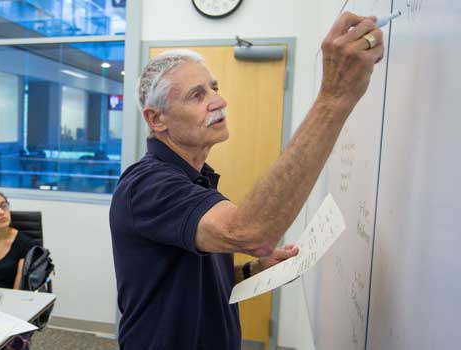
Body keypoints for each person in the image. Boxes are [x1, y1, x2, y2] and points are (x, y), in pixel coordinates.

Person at [110, 12, 385, 349]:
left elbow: (198, 281)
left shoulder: (198, 181)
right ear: (157, 119)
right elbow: (251, 232)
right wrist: (333, 97)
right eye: (196, 95)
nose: (218, 100)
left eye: (214, 88)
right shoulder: (148, 185)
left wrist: (256, 268)